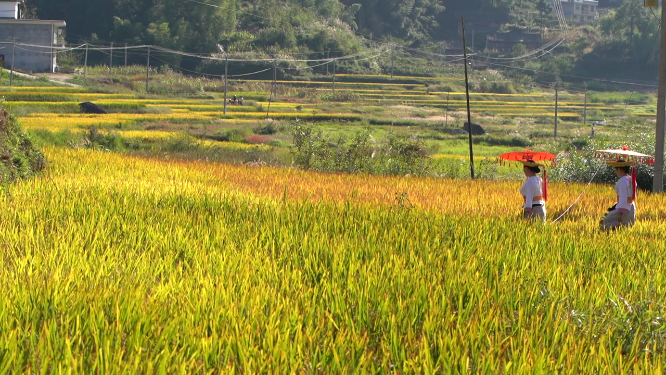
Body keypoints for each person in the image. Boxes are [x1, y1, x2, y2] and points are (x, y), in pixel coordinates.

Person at [600, 160, 636, 230]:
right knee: (625, 228)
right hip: (631, 206)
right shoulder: (630, 179)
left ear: (619, 169)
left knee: (604, 222)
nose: (615, 171)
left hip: (624, 208)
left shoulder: (622, 181)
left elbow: (623, 197)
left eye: (615, 169)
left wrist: (620, 214)